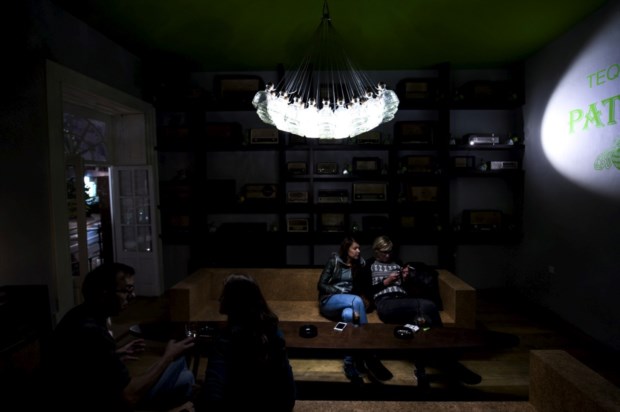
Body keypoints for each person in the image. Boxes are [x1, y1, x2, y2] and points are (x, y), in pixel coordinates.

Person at [45, 262, 196, 412]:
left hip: (94, 394)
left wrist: (114, 354)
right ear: (104, 293)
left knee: (185, 377)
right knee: (179, 364)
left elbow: (85, 364)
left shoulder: (78, 314)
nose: (132, 296)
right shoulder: (92, 332)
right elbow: (129, 396)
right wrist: (168, 356)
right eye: (126, 290)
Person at [196, 273, 296, 412]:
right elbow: (288, 393)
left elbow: (214, 397)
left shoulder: (225, 341)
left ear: (235, 301)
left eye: (224, 294)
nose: (219, 298)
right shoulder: (275, 334)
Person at [317, 236, 392, 384]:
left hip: (348, 305)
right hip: (330, 301)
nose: (358, 251)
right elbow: (321, 285)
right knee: (356, 300)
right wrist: (340, 291)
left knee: (349, 316)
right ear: (347, 249)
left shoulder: (360, 263)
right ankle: (369, 353)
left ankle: (350, 363)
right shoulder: (334, 261)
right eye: (355, 248)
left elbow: (364, 285)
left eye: (359, 248)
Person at [365, 235, 443, 327]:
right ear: (376, 251)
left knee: (427, 317)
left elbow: (406, 285)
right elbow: (367, 290)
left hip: (403, 298)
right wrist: (386, 281)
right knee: (429, 306)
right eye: (384, 252)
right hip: (385, 302)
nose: (388, 255)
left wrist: (406, 276)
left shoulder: (397, 262)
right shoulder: (369, 264)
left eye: (390, 251)